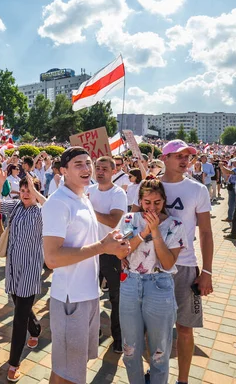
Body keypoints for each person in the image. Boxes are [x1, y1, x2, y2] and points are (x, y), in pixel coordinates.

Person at [43, 147, 130, 384]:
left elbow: (91, 241)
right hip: (71, 299)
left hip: (88, 294)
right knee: (71, 373)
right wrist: (103, 247)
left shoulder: (83, 198)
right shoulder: (58, 203)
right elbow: (51, 258)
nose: (87, 168)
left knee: (66, 368)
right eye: (78, 164)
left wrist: (114, 247)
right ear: (63, 171)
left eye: (88, 163)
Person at [132, 139, 213, 384]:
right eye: (179, 155)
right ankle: (155, 373)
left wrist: (207, 271)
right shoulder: (150, 186)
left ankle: (183, 380)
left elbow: (207, 232)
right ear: (165, 158)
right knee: (150, 328)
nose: (185, 160)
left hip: (185, 266)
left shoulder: (198, 189)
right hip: (150, 267)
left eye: (188, 156)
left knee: (185, 329)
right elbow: (135, 221)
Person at [120, 179, 184, 384]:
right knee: (130, 349)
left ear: (164, 201)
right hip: (130, 284)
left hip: (159, 285)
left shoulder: (175, 225)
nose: (152, 207)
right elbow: (123, 250)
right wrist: (144, 232)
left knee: (159, 351)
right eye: (147, 202)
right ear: (140, 200)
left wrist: (155, 231)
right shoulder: (129, 219)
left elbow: (167, 263)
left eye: (157, 202)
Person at [0, 169, 46, 382]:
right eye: (22, 190)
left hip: (31, 270)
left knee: (19, 317)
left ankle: (14, 363)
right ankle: (36, 328)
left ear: (36, 191)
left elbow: (51, 207)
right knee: (19, 305)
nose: (25, 193)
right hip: (13, 268)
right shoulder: (15, 207)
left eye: (29, 190)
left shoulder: (42, 211)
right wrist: (0, 183)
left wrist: (36, 192)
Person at [87, 156, 128, 353]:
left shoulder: (118, 193)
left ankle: (119, 338)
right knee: (89, 294)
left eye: (104, 168)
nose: (100, 171)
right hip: (91, 249)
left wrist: (88, 208)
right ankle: (94, 332)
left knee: (116, 297)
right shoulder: (89, 190)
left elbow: (113, 221)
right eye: (97, 168)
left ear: (113, 171)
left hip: (111, 252)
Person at [220, 157, 236, 222]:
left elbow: (228, 172)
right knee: (232, 202)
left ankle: (232, 217)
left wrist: (222, 167)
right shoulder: (235, 168)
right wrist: (222, 168)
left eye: (235, 162)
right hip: (232, 186)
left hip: (235, 186)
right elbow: (227, 173)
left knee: (233, 203)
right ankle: (231, 217)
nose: (233, 163)